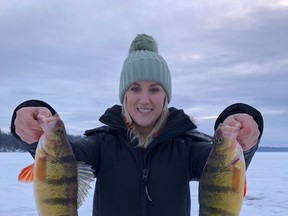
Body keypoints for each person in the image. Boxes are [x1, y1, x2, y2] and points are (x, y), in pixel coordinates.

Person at [11, 34, 263, 216]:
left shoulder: (187, 145)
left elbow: (223, 163)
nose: (144, 99)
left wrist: (240, 121)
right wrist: (31, 122)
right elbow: (61, 158)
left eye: (154, 88)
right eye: (135, 88)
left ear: (166, 96)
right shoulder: (100, 143)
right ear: (124, 95)